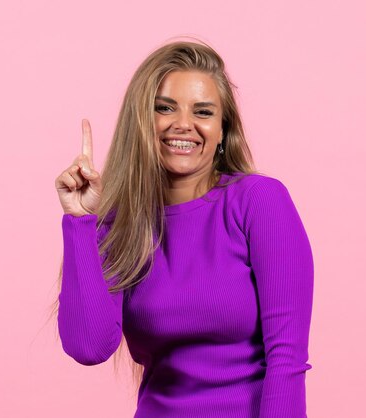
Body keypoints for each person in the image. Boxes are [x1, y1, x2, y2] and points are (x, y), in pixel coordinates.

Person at [52, 38, 314, 418]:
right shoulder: (119, 223)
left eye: (203, 111)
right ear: (142, 120)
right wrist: (81, 222)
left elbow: (287, 360)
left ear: (223, 130)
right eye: (165, 108)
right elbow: (89, 347)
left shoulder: (258, 201)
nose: (184, 124)